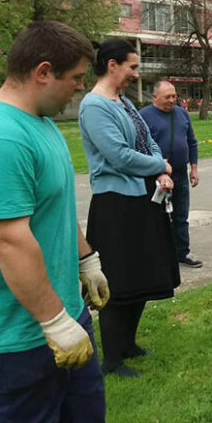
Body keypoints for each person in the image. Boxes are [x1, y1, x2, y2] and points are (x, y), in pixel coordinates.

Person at [0, 21, 109, 421]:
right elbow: (8, 241)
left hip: (67, 316)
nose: (81, 86)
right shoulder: (4, 137)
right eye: (76, 77)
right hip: (22, 337)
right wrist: (54, 321)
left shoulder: (42, 124)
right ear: (43, 72)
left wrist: (86, 261)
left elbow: (54, 206)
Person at [79, 39, 180, 377]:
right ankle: (111, 360)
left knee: (141, 273)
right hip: (115, 205)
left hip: (140, 198)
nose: (136, 73)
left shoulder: (123, 101)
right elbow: (118, 155)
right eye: (132, 66)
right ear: (112, 65)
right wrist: (159, 167)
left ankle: (128, 344)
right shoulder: (94, 106)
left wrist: (160, 168)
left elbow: (147, 139)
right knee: (118, 280)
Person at [140, 80, 203, 268]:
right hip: (155, 177)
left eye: (174, 96)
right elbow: (141, 146)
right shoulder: (144, 116)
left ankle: (182, 252)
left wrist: (194, 168)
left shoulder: (181, 113)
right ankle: (158, 254)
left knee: (181, 216)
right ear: (155, 97)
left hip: (180, 175)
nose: (172, 100)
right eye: (167, 97)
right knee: (156, 217)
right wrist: (158, 169)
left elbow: (192, 142)